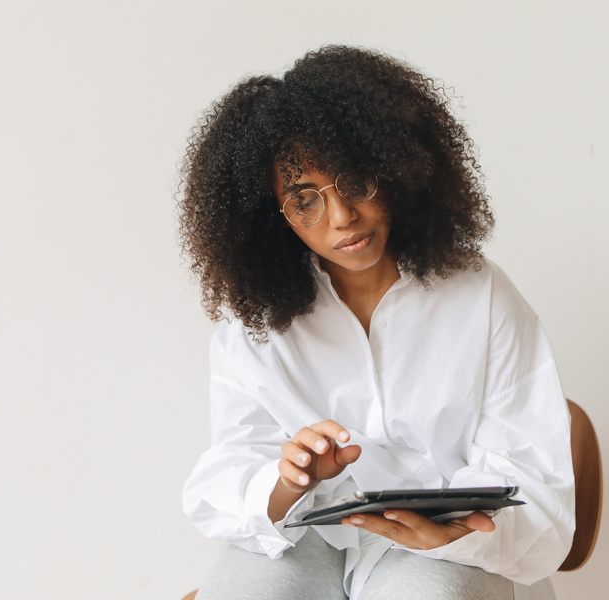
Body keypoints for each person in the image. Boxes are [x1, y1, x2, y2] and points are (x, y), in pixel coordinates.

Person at [178, 45, 575, 600]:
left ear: (395, 169)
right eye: (304, 199)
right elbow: (234, 467)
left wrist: (452, 534)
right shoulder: (255, 323)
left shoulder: (481, 295)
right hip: (303, 533)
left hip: (444, 540)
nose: (343, 216)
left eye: (355, 181)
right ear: (271, 214)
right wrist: (290, 478)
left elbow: (531, 468)